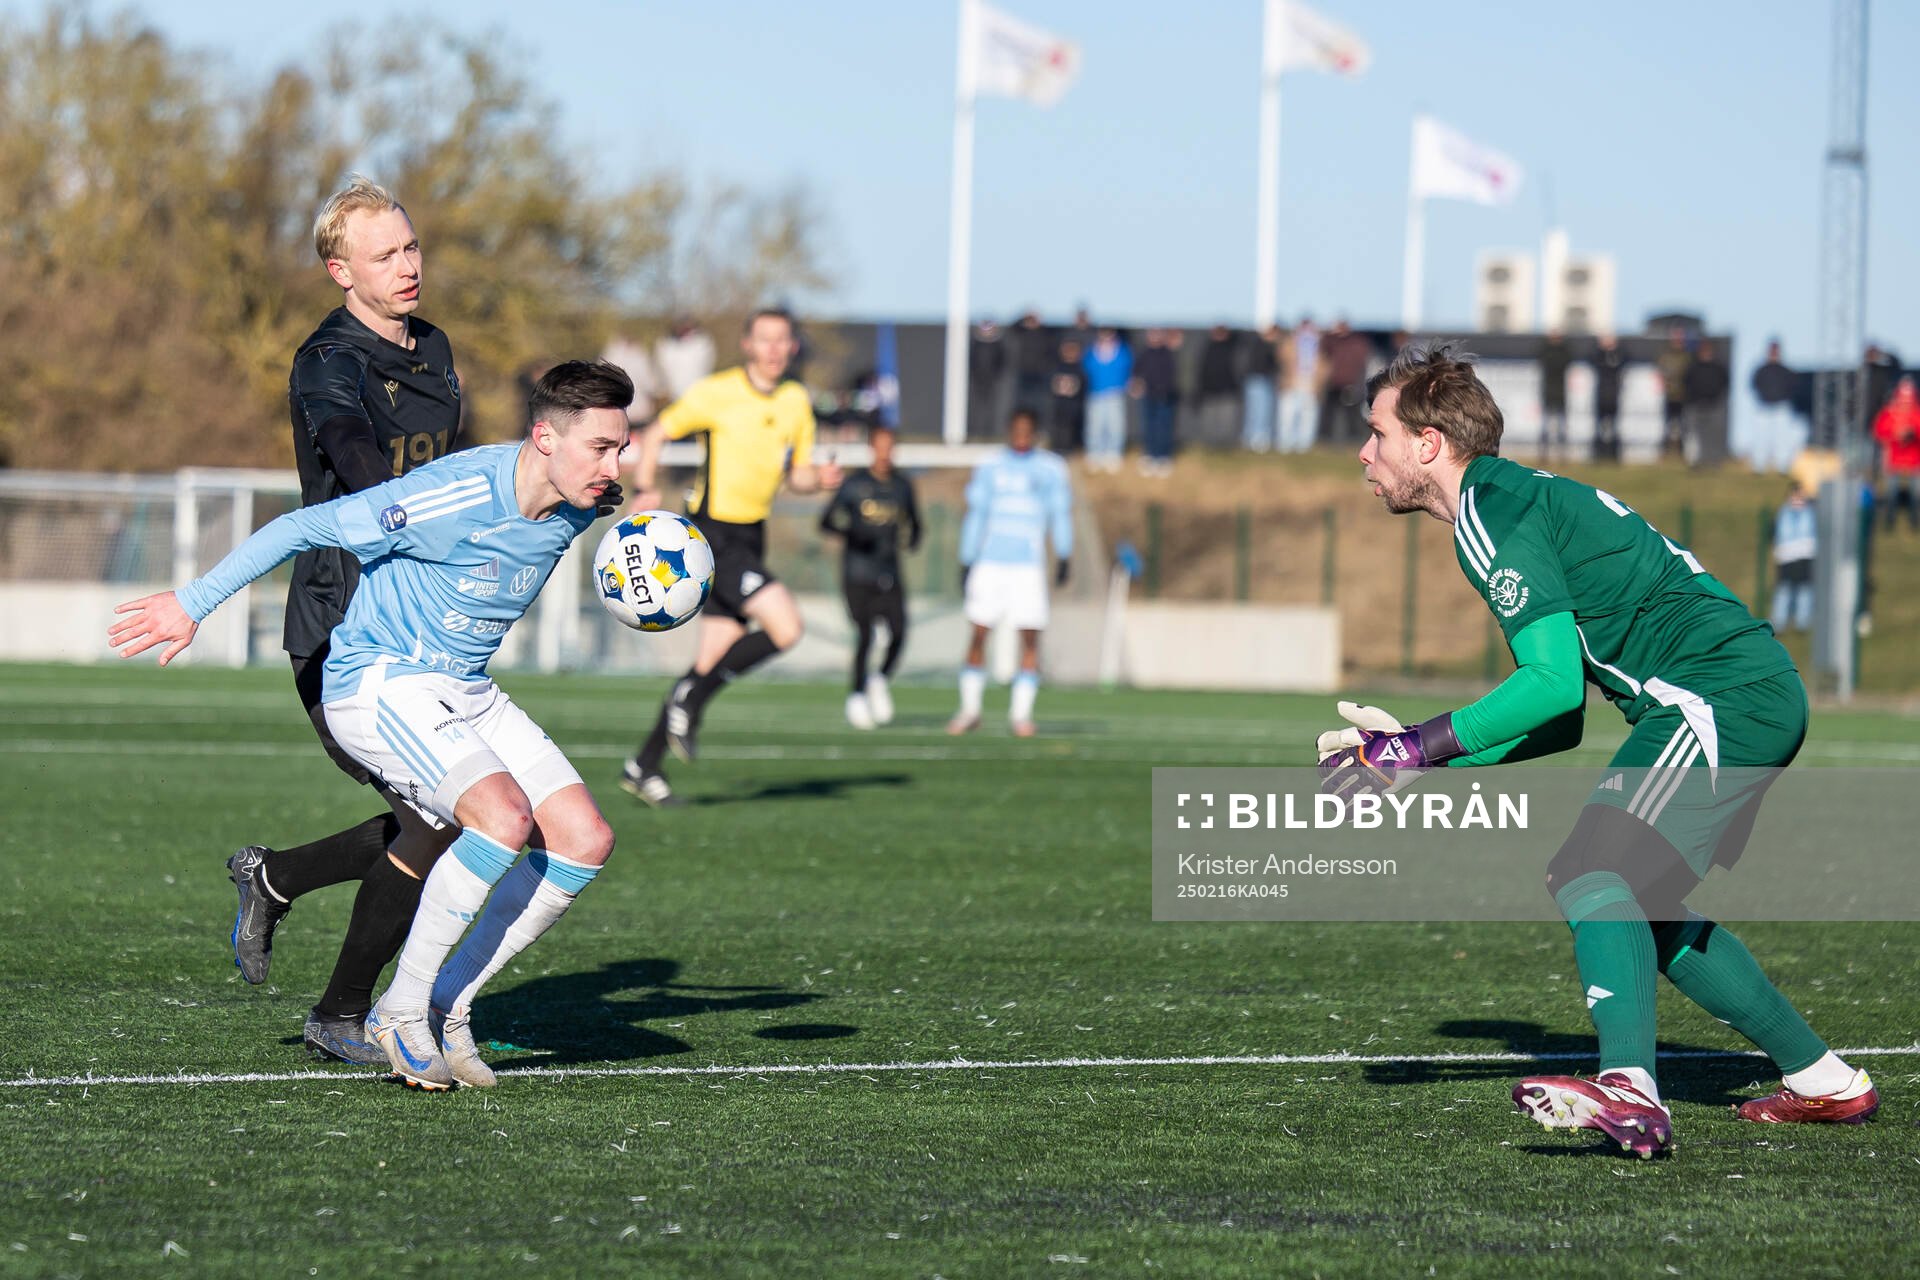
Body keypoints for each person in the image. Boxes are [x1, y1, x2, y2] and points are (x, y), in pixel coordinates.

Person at [1320, 344, 1876, 1159]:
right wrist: (1415, 755)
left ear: (1429, 443)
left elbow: (1548, 688)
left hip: (1717, 694)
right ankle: (1824, 1080)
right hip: (1735, 690)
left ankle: (1631, 1092)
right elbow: (1563, 717)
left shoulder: (1488, 512)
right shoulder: (1507, 500)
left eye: (1376, 432)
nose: (1365, 452)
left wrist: (1413, 744)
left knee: (1592, 872)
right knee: (1640, 899)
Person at [111, 361, 638, 1091]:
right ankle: (399, 1009)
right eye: (602, 447)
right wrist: (193, 602)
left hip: (465, 689)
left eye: (622, 447)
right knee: (500, 821)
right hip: (379, 679)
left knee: (585, 840)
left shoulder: (584, 498)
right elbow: (302, 527)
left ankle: (450, 1003)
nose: (615, 466)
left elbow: (618, 511)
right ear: (545, 438)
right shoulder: (451, 494)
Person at [224, 176, 466, 1068]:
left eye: (410, 247)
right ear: (340, 271)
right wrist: (406, 508)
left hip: (423, 622)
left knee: (446, 816)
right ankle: (339, 1012)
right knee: (442, 815)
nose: (407, 266)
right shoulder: (326, 362)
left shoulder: (436, 347)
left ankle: (274, 878)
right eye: (384, 255)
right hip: (338, 629)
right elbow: (354, 454)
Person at [620, 308, 842, 807]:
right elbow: (654, 434)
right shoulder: (716, 392)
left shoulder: (794, 401)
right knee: (786, 627)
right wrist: (647, 488)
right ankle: (691, 699)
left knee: (712, 657)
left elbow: (798, 475)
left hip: (751, 535)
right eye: (764, 339)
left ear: (792, 348)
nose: (773, 348)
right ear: (746, 344)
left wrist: (818, 481)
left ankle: (643, 766)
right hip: (709, 534)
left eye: (782, 340)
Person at [949, 409, 1074, 738]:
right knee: (978, 632)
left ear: (1034, 433)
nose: (1021, 436)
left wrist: (1063, 554)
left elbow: (1059, 513)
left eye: (1027, 431)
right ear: (1008, 431)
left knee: (1029, 637)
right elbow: (977, 514)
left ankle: (1021, 715)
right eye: (1016, 430)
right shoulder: (990, 466)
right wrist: (967, 557)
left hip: (1027, 566)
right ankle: (970, 709)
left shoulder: (1050, 469)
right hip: (990, 563)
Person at [819, 423, 922, 728]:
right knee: (865, 634)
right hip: (858, 571)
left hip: (889, 571)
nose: (884, 454)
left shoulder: (902, 486)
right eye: (880, 447)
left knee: (899, 632)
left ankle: (879, 679)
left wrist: (912, 539)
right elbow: (827, 521)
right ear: (871, 449)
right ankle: (857, 696)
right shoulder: (854, 485)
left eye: (890, 447)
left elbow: (915, 524)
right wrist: (853, 533)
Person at [1081, 326, 1133, 472]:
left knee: (1115, 425)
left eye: (1109, 334)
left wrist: (1124, 384)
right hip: (1095, 392)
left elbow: (1127, 368)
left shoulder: (1122, 351)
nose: (1106, 337)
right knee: (1095, 425)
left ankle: (1113, 453)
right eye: (1103, 334)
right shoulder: (1092, 351)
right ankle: (1094, 453)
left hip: (1115, 393)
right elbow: (1086, 368)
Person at [1873, 376, 1920, 531]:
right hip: (1893, 458)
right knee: (1891, 492)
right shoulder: (1890, 412)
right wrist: (1895, 433)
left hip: (1914, 459)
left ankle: (1915, 522)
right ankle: (1889, 522)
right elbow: (1879, 431)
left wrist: (1912, 434)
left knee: (1916, 493)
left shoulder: (1916, 412)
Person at [1769, 482, 1817, 634]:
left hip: (1805, 558)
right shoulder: (1782, 514)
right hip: (1786, 558)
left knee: (1804, 590)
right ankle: (1779, 622)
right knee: (1784, 590)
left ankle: (1802, 622)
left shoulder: (1811, 513)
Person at [1749, 340, 1798, 474]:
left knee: (1782, 439)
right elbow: (1754, 384)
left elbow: (1792, 386)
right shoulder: (1761, 370)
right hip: (1764, 407)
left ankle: (1783, 466)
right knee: (1761, 437)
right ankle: (1758, 467)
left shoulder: (1785, 371)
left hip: (1781, 407)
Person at [1682, 339, 1731, 466]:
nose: (1706, 353)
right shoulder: (1693, 367)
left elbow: (1724, 384)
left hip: (1713, 405)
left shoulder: (1718, 368)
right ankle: (1694, 461)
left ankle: (1714, 461)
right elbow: (1686, 383)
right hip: (1695, 405)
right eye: (1703, 350)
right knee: (1694, 434)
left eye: (1708, 350)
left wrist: (1715, 398)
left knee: (1712, 435)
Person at [1277, 317, 1322, 453]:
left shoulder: (1319, 345)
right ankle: (1285, 444)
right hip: (1292, 383)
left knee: (1308, 416)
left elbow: (1324, 366)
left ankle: (1304, 445)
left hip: (1310, 384)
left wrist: (1318, 383)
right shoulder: (1290, 342)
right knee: (1287, 415)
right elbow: (1282, 357)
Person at [654, 315, 716, 403]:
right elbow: (662, 370)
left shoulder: (703, 343)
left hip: (699, 395)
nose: (683, 328)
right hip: (675, 398)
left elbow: (707, 367)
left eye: (687, 326)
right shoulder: (665, 345)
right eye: (680, 325)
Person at [1241, 324, 1281, 453]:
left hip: (1264, 382)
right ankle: (1254, 439)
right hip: (1257, 381)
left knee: (1262, 411)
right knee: (1257, 411)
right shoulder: (1259, 345)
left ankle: (1259, 439)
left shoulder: (1268, 346)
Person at [1655, 327, 1692, 460]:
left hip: (1682, 396)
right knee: (1667, 426)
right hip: (1669, 396)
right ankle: (1665, 452)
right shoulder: (1666, 356)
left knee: (1682, 426)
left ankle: (1681, 453)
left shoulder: (1687, 357)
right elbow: (1660, 373)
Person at [1589, 333, 1627, 462]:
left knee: (1614, 428)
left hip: (1614, 396)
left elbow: (1626, 359)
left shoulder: (1618, 355)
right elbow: (1592, 359)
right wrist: (1602, 349)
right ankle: (1598, 455)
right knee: (1599, 428)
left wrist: (1614, 349)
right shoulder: (1599, 356)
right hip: (1601, 396)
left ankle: (1613, 455)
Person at [1537, 329, 1571, 459]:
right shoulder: (1547, 351)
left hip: (1561, 394)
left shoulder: (1563, 352)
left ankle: (1562, 454)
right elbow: (1541, 357)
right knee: (1545, 427)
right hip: (1548, 393)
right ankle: (1544, 454)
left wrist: (1561, 344)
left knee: (1561, 427)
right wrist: (1548, 344)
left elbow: (1567, 358)